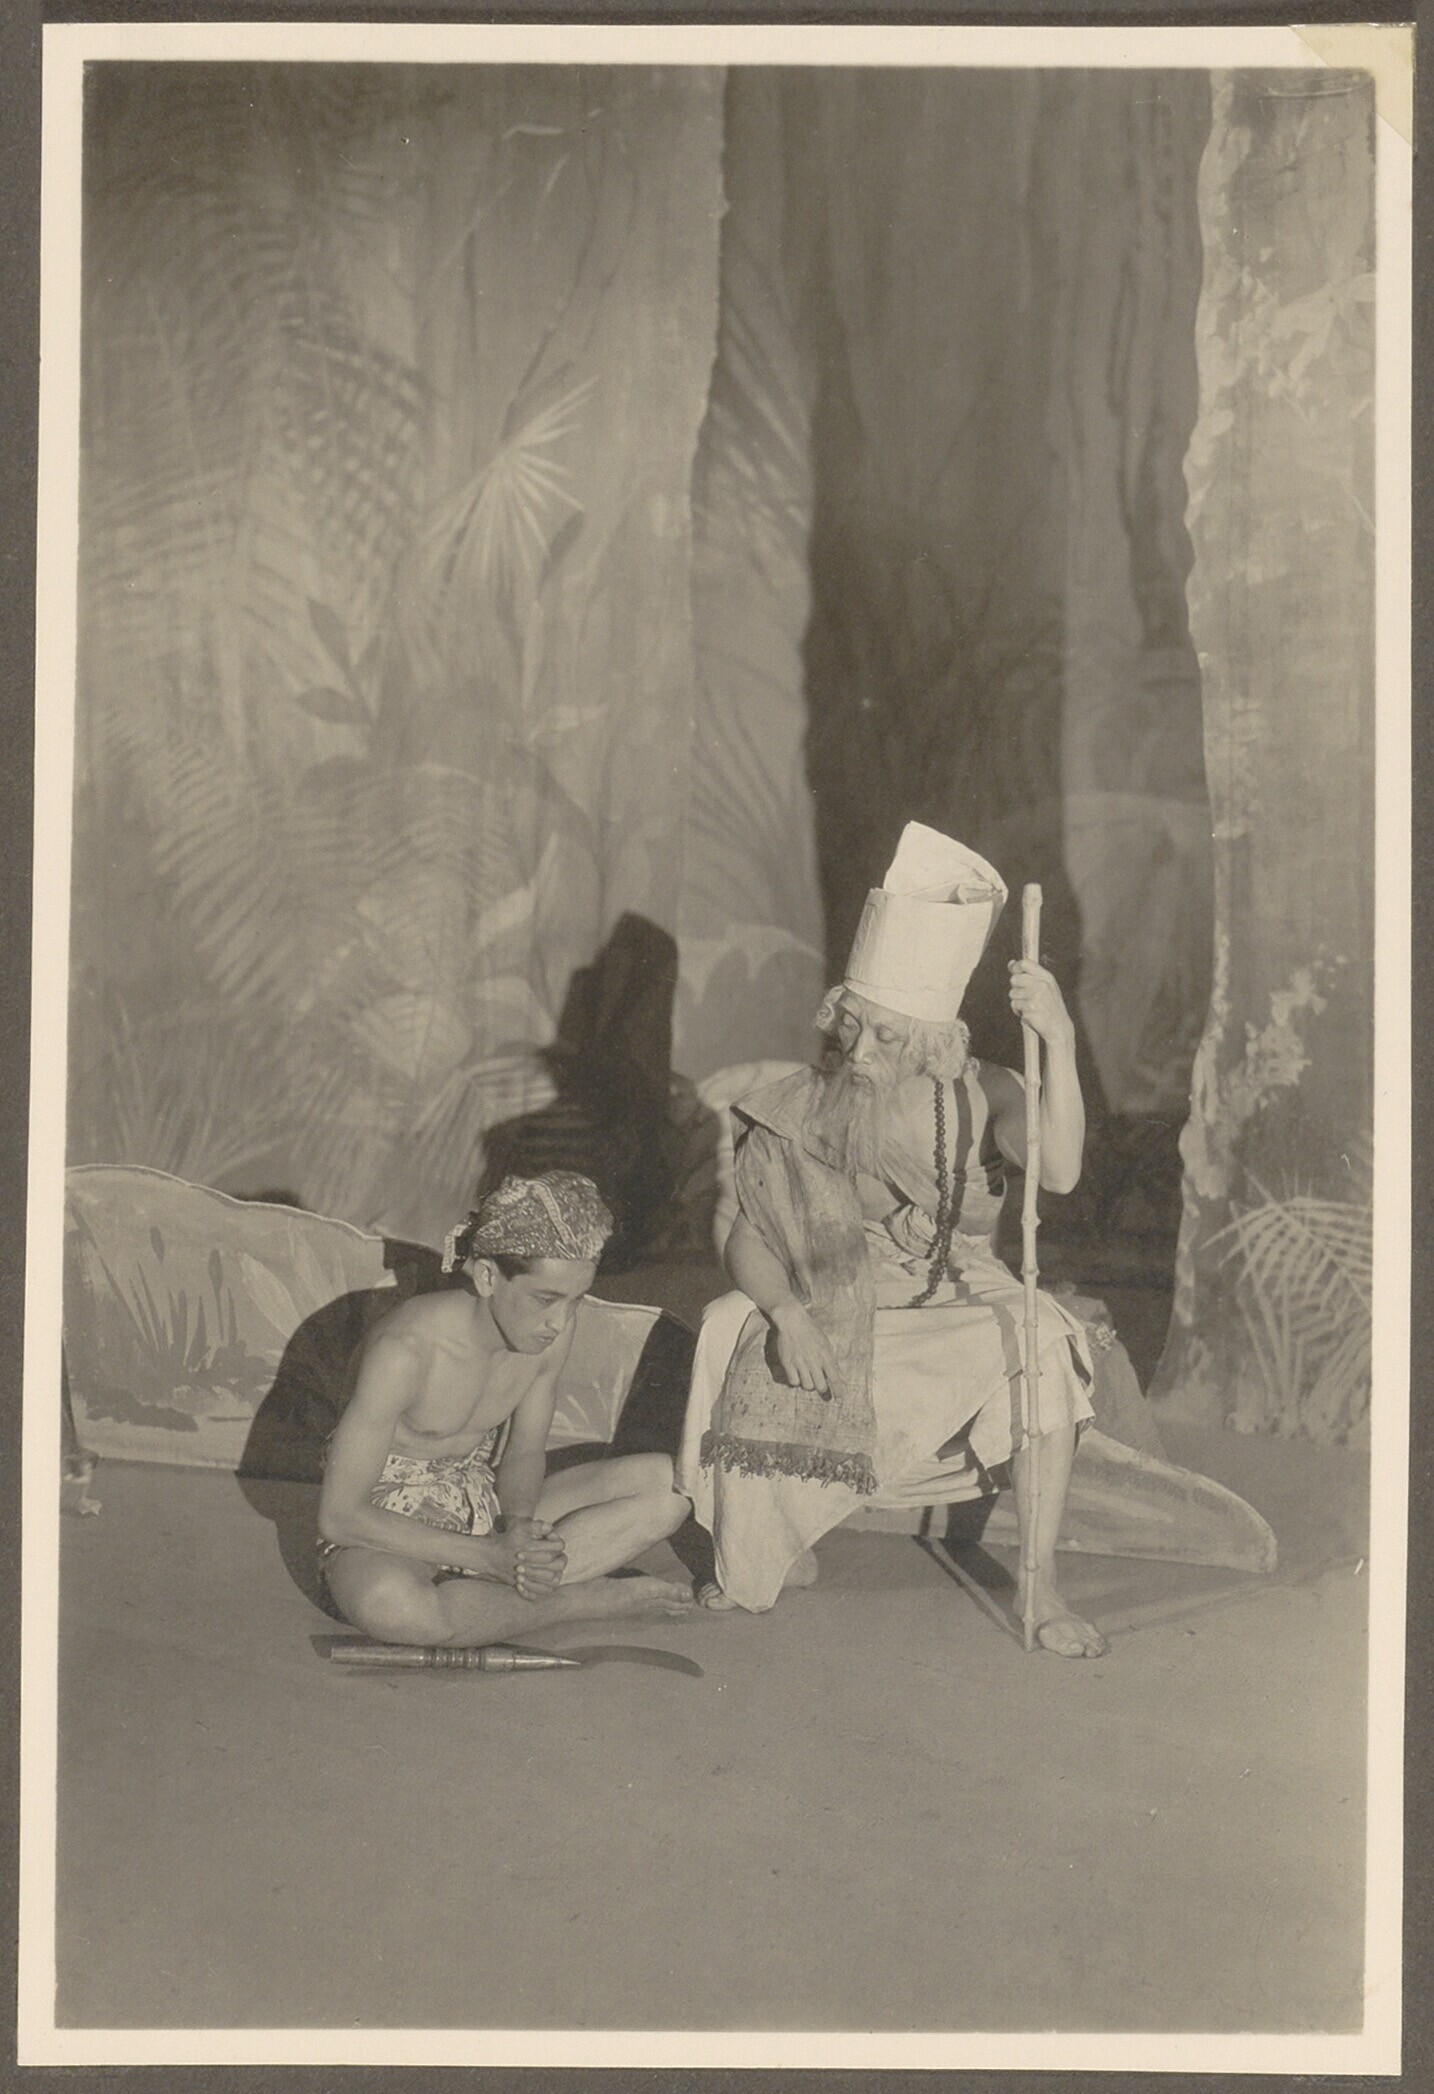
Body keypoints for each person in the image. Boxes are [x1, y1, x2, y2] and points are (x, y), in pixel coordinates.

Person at [677, 823, 1108, 1657]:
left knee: (1046, 1340)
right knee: (728, 1322)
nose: (859, 1051)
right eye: (853, 1027)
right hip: (832, 1287)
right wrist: (787, 1315)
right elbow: (749, 1240)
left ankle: (1040, 1582)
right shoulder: (810, 1102)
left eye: (886, 1036)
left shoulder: (985, 1091)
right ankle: (765, 1545)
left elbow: (1058, 1171)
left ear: (936, 1038)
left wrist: (1058, 1037)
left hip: (954, 1290)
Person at [318, 1170, 693, 1646]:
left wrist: (517, 1527)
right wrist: (490, 1557)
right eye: (546, 1300)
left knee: (671, 1486)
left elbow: (524, 1453)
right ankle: (580, 1600)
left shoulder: (548, 1333)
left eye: (575, 1301)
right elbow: (339, 1516)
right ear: (488, 1276)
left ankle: (493, 1599)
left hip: (481, 1504)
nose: (559, 1322)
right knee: (391, 1604)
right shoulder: (404, 1350)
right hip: (387, 1532)